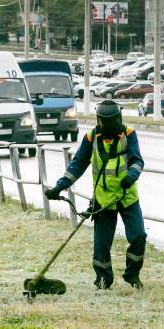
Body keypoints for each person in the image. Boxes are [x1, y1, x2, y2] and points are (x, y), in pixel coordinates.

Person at [44, 99, 146, 289]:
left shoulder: (129, 134)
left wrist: (131, 176)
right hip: (103, 199)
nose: (108, 125)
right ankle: (103, 280)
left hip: (127, 197)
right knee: (101, 244)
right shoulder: (91, 137)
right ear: (99, 120)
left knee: (139, 235)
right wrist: (59, 187)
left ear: (119, 118)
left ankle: (132, 275)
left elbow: (137, 161)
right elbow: (77, 164)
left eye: (112, 120)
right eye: (104, 121)